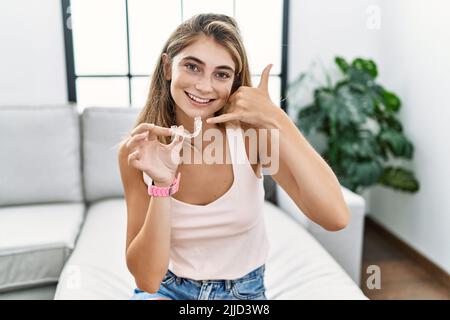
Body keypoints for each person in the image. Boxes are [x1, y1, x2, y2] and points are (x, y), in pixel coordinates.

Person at [118, 13, 350, 300]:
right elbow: (149, 279)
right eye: (192, 67)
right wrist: (162, 186)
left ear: (234, 83)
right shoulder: (138, 151)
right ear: (168, 67)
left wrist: (277, 119)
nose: (204, 86)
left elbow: (336, 217)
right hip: (167, 289)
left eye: (222, 74)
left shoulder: (252, 138)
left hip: (243, 293)